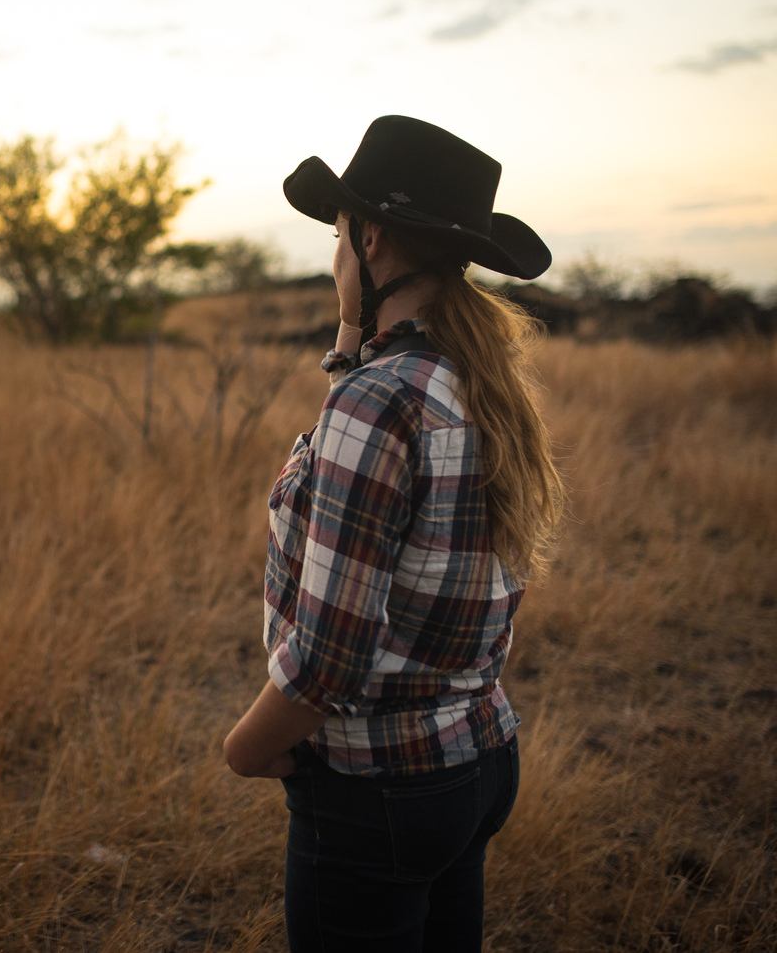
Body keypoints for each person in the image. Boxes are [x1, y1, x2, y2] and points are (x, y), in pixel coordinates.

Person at [221, 116, 568, 952]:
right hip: (473, 762)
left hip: (377, 787)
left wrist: (244, 749)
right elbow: (367, 395)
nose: (333, 254)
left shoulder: (378, 402)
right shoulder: (465, 377)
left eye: (340, 236)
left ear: (369, 237)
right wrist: (355, 323)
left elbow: (330, 657)